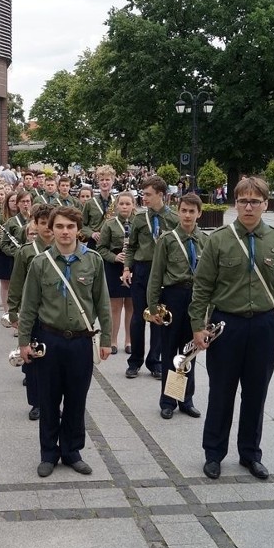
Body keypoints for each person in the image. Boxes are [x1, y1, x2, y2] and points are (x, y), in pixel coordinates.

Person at [190, 176, 274, 480]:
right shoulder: (219, 240)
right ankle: (214, 453)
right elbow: (202, 288)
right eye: (242, 201)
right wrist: (198, 326)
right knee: (221, 392)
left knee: (256, 393)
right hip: (227, 325)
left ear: (266, 204)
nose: (248, 206)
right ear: (234, 204)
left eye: (254, 201)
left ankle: (250, 454)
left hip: (264, 325)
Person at [18, 206, 112, 478]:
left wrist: (106, 338)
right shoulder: (40, 263)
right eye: (59, 226)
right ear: (51, 229)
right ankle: (48, 453)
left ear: (78, 230)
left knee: (76, 399)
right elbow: (29, 306)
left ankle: (72, 451)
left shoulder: (93, 261)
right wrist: (24, 341)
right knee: (48, 398)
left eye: (70, 227)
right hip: (49, 339)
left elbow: (102, 303)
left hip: (81, 341)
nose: (64, 232)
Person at [146, 193, 207, 420]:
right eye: (184, 210)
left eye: (192, 211)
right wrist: (153, 307)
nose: (188, 215)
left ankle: (186, 399)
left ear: (199, 214)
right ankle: (168, 400)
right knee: (171, 350)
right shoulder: (168, 239)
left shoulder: (205, 241)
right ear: (178, 211)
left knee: (190, 350)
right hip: (173, 296)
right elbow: (156, 275)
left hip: (196, 298)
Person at [121, 175, 178, 379]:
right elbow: (131, 246)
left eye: (148, 194)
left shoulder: (173, 219)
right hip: (142, 270)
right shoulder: (138, 218)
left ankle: (155, 361)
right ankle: (135, 361)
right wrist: (127, 268)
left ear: (161, 195)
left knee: (159, 317)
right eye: (143, 194)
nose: (143, 198)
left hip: (163, 272)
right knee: (138, 317)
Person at [7, 203, 54, 421]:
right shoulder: (27, 252)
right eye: (43, 223)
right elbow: (15, 285)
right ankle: (36, 403)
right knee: (33, 360)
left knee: (53, 361)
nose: (48, 228)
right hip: (32, 313)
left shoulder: (63, 250)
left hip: (54, 314)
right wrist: (14, 312)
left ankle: (53, 401)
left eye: (50, 223)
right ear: (35, 224)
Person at [96, 191, 136, 355]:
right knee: (115, 306)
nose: (125, 206)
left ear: (133, 205)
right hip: (115, 266)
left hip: (133, 266)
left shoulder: (139, 222)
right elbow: (101, 248)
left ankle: (129, 341)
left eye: (128, 203)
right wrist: (114, 257)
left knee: (131, 306)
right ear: (117, 205)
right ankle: (113, 341)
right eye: (122, 204)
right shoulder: (110, 224)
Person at [0, 188, 19, 310]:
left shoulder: (25, 217)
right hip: (4, 254)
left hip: (19, 254)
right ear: (7, 203)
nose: (14, 203)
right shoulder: (0, 217)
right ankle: (7, 311)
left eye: (17, 201)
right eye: (12, 201)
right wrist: (3, 245)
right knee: (5, 284)